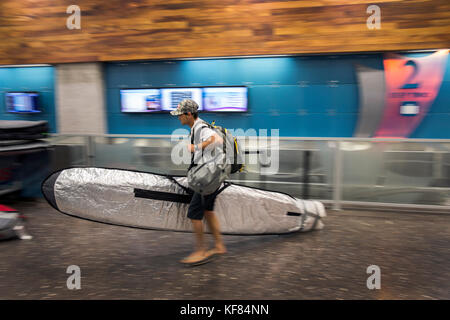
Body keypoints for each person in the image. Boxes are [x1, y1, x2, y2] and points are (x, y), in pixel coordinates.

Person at [170, 99, 227, 265]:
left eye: (180, 114)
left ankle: (201, 251)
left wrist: (196, 147)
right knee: (208, 211)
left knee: (194, 214)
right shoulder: (199, 127)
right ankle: (219, 246)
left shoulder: (200, 127)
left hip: (206, 180)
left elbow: (217, 140)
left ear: (189, 114)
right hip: (214, 177)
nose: (178, 117)